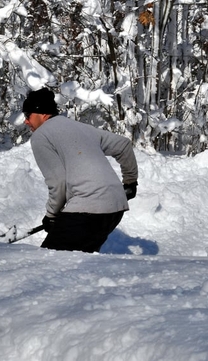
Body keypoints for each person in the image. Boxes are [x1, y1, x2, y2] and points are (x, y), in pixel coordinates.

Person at [23, 87, 138, 253]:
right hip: (115, 208)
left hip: (87, 209)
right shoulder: (82, 128)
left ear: (41, 113)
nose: (26, 121)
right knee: (78, 265)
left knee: (48, 265)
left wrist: (52, 215)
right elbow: (123, 145)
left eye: (28, 115)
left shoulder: (41, 135)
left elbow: (58, 182)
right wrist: (130, 181)